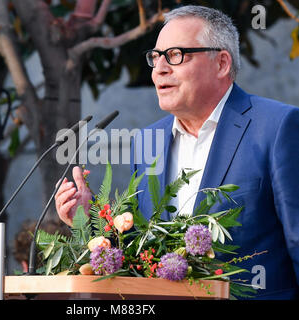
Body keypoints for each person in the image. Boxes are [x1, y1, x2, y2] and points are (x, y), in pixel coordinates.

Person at [54, 5, 299, 299]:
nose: (160, 69)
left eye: (175, 55)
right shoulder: (147, 141)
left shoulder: (277, 127)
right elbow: (141, 254)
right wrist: (90, 219)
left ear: (221, 63)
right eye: (155, 57)